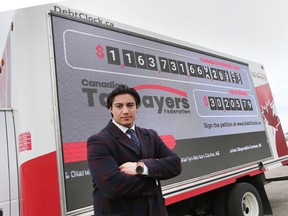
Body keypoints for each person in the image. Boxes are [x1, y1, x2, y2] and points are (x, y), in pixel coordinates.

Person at [87, 84, 182, 216]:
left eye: (130, 105)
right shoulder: (99, 141)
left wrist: (141, 168)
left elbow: (175, 164)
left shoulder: (150, 135)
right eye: (119, 106)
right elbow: (113, 187)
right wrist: (155, 178)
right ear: (110, 109)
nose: (125, 111)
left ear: (137, 108)